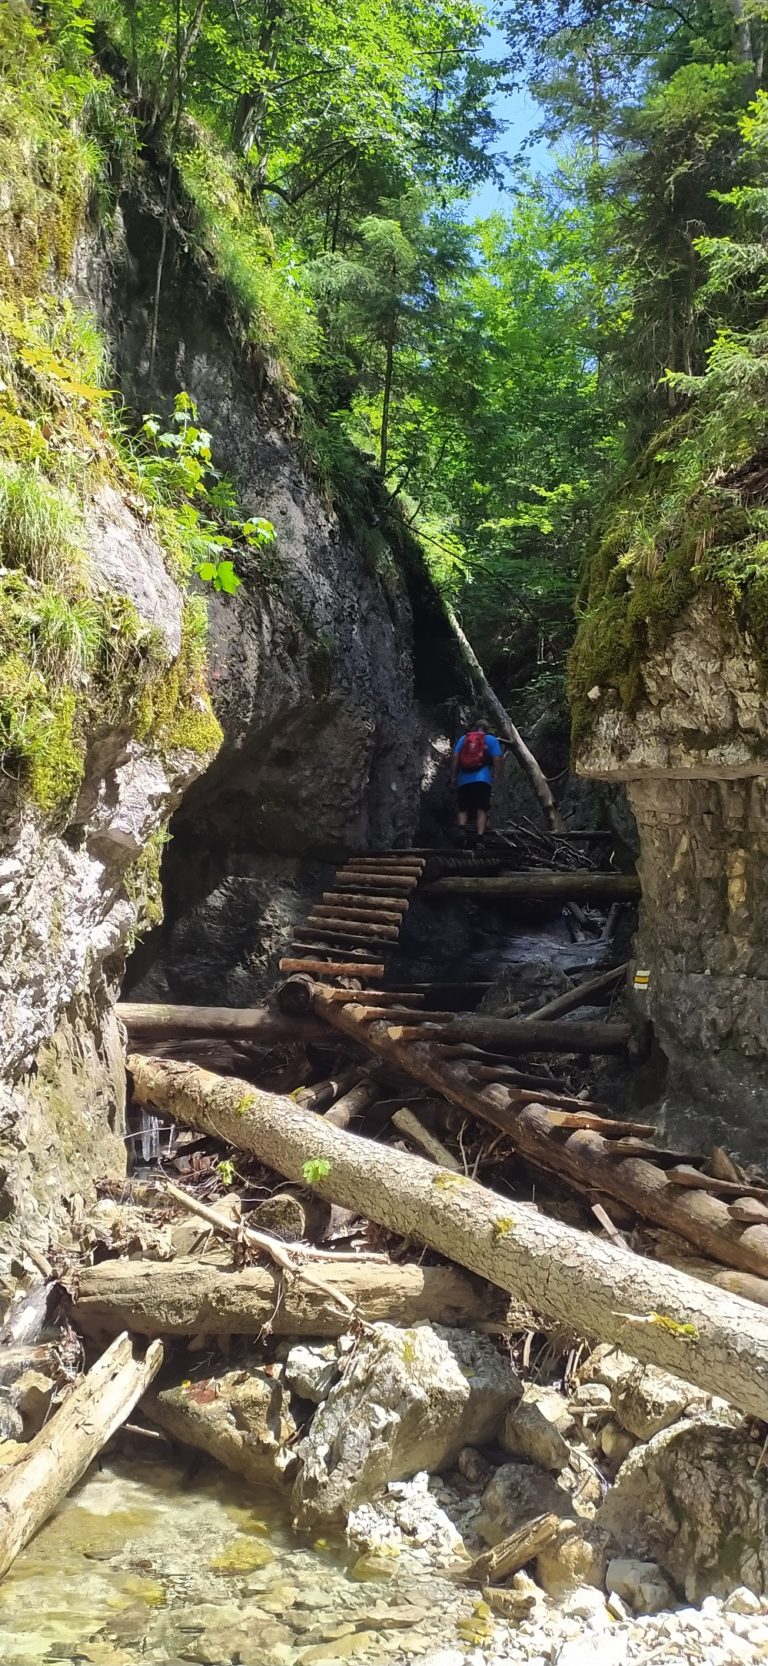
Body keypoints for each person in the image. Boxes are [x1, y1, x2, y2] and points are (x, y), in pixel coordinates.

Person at [450, 719, 503, 843]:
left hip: (463, 780)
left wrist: (453, 776)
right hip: (482, 780)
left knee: (463, 807)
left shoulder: (464, 739)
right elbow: (497, 758)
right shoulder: (491, 740)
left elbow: (455, 757)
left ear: (474, 727)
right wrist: (497, 775)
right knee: (481, 808)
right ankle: (479, 837)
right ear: (487, 729)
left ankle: (462, 829)